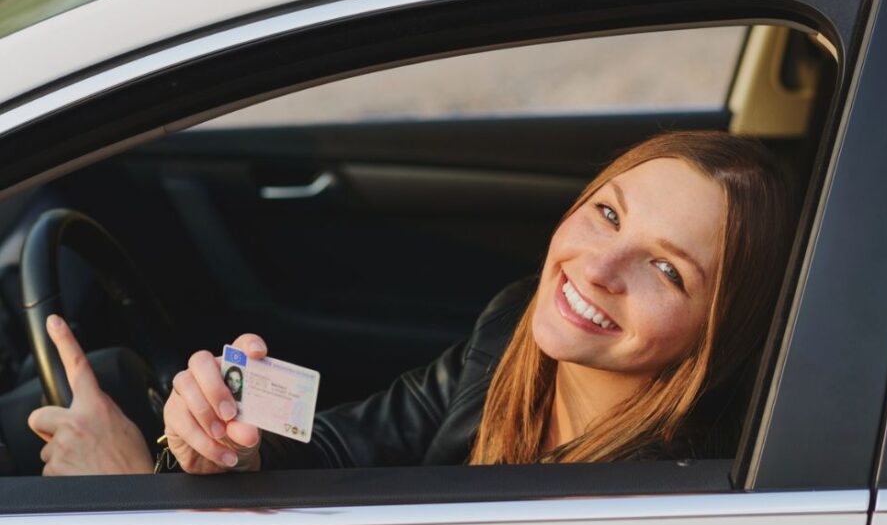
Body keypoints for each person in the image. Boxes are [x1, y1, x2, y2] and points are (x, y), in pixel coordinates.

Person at [27, 130, 791, 475]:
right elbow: (346, 451)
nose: (598, 269)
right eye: (609, 213)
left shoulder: (671, 491)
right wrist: (235, 439)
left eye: (667, 270)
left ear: (721, 332)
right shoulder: (513, 331)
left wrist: (127, 499)